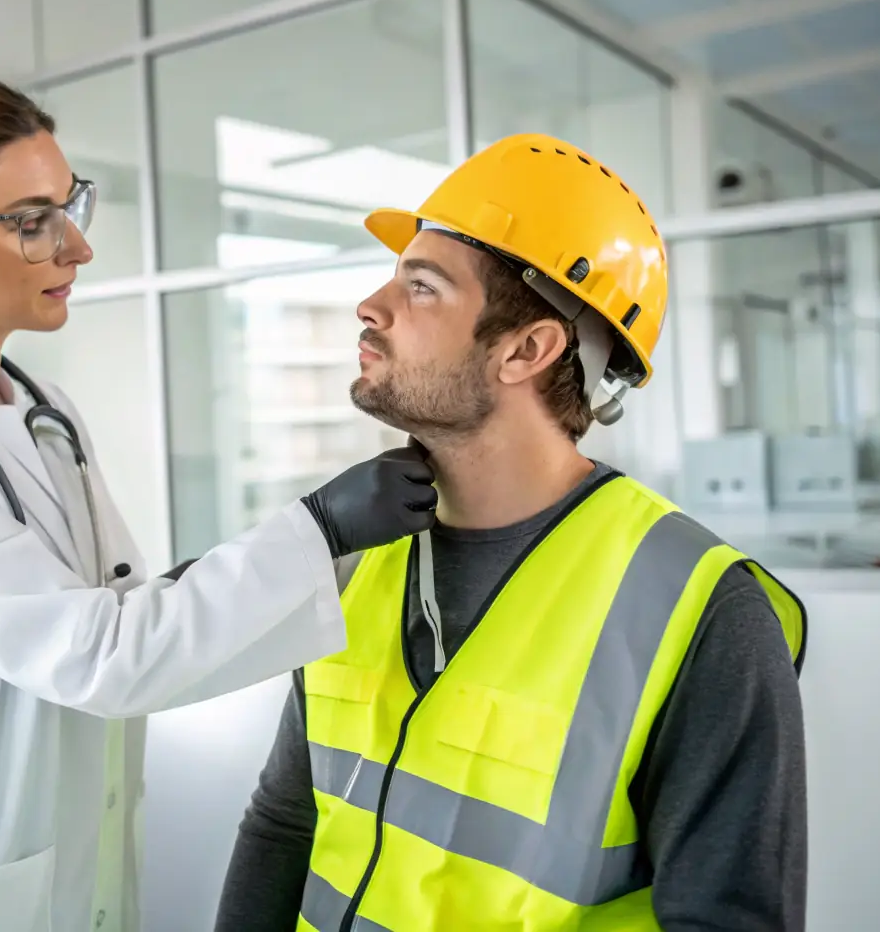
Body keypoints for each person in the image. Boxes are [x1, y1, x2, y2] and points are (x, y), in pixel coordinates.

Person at [0, 69, 438, 932]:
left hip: (51, 872)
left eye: (70, 205)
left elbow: (106, 607)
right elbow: (101, 658)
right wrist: (320, 526)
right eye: (31, 223)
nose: (75, 249)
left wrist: (285, 558)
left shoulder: (39, 409)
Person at [215, 133, 808, 932]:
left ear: (526, 348)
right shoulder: (354, 561)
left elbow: (725, 919)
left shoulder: (699, 609)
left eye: (421, 287)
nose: (370, 306)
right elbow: (287, 823)